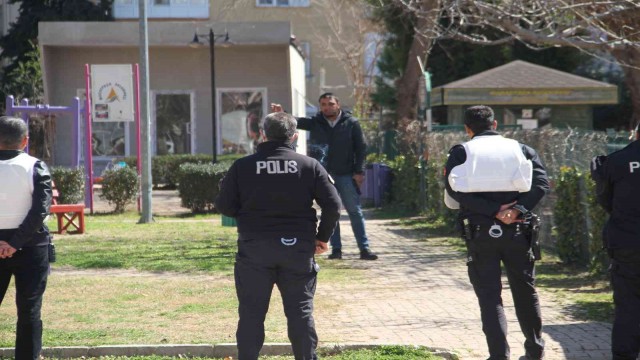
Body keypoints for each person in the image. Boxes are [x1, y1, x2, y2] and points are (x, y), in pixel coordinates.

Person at [215, 112, 341, 360]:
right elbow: (333, 206)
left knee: (251, 314)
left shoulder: (243, 166)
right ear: (294, 136)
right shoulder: (310, 165)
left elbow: (225, 206)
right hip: (297, 250)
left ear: (263, 134)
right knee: (300, 313)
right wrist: (322, 237)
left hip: (254, 250)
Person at [444, 105, 549, 360]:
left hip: (480, 233)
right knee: (525, 291)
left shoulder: (461, 152)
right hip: (519, 231)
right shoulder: (522, 149)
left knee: (490, 297)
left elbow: (453, 190)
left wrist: (492, 210)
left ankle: (499, 355)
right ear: (495, 125)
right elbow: (541, 183)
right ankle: (535, 351)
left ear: (467, 129)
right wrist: (517, 210)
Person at [271, 94, 378, 260]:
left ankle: (364, 249)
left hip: (346, 174)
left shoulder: (351, 123)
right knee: (331, 211)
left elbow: (361, 149)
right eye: (323, 105)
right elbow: (296, 121)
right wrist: (282, 114)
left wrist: (359, 171)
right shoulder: (316, 123)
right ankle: (336, 250)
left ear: (338, 105)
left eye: (330, 104)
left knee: (354, 211)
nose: (327, 107)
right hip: (325, 175)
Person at [0, 116, 54, 360]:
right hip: (31, 246)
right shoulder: (36, 166)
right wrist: (15, 243)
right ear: (25, 140)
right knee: (29, 309)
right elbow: (40, 210)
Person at [591, 126, 640, 360]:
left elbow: (605, 200)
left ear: (635, 134)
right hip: (626, 240)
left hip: (627, 241)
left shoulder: (616, 161)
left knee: (627, 303)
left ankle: (625, 355)